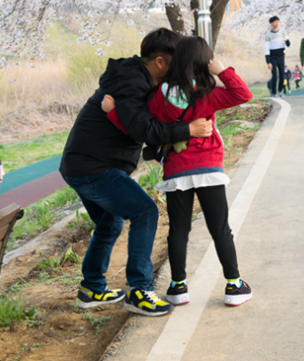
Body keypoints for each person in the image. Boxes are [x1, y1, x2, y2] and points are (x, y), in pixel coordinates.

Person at [60, 27, 212, 317]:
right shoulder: (130, 83)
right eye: (175, 63)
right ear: (159, 62)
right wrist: (188, 130)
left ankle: (91, 288)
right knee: (145, 211)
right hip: (94, 167)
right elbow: (143, 128)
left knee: (110, 223)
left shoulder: (137, 79)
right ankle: (139, 291)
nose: (179, 70)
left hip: (83, 164)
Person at [103, 37, 254, 308]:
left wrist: (114, 113)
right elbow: (243, 94)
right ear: (203, 62)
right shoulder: (208, 93)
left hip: (176, 171)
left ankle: (178, 287)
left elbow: (137, 128)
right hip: (208, 168)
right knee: (220, 228)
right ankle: (234, 285)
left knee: (178, 231)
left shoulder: (159, 94)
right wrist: (222, 71)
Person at [264, 16, 291, 98]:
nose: (277, 23)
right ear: (271, 23)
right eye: (275, 22)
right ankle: (273, 92)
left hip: (281, 56)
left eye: (278, 22)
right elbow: (266, 49)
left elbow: (289, 45)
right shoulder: (268, 35)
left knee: (282, 76)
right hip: (272, 57)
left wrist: (286, 40)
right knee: (275, 76)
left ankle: (280, 91)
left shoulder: (282, 32)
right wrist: (268, 62)